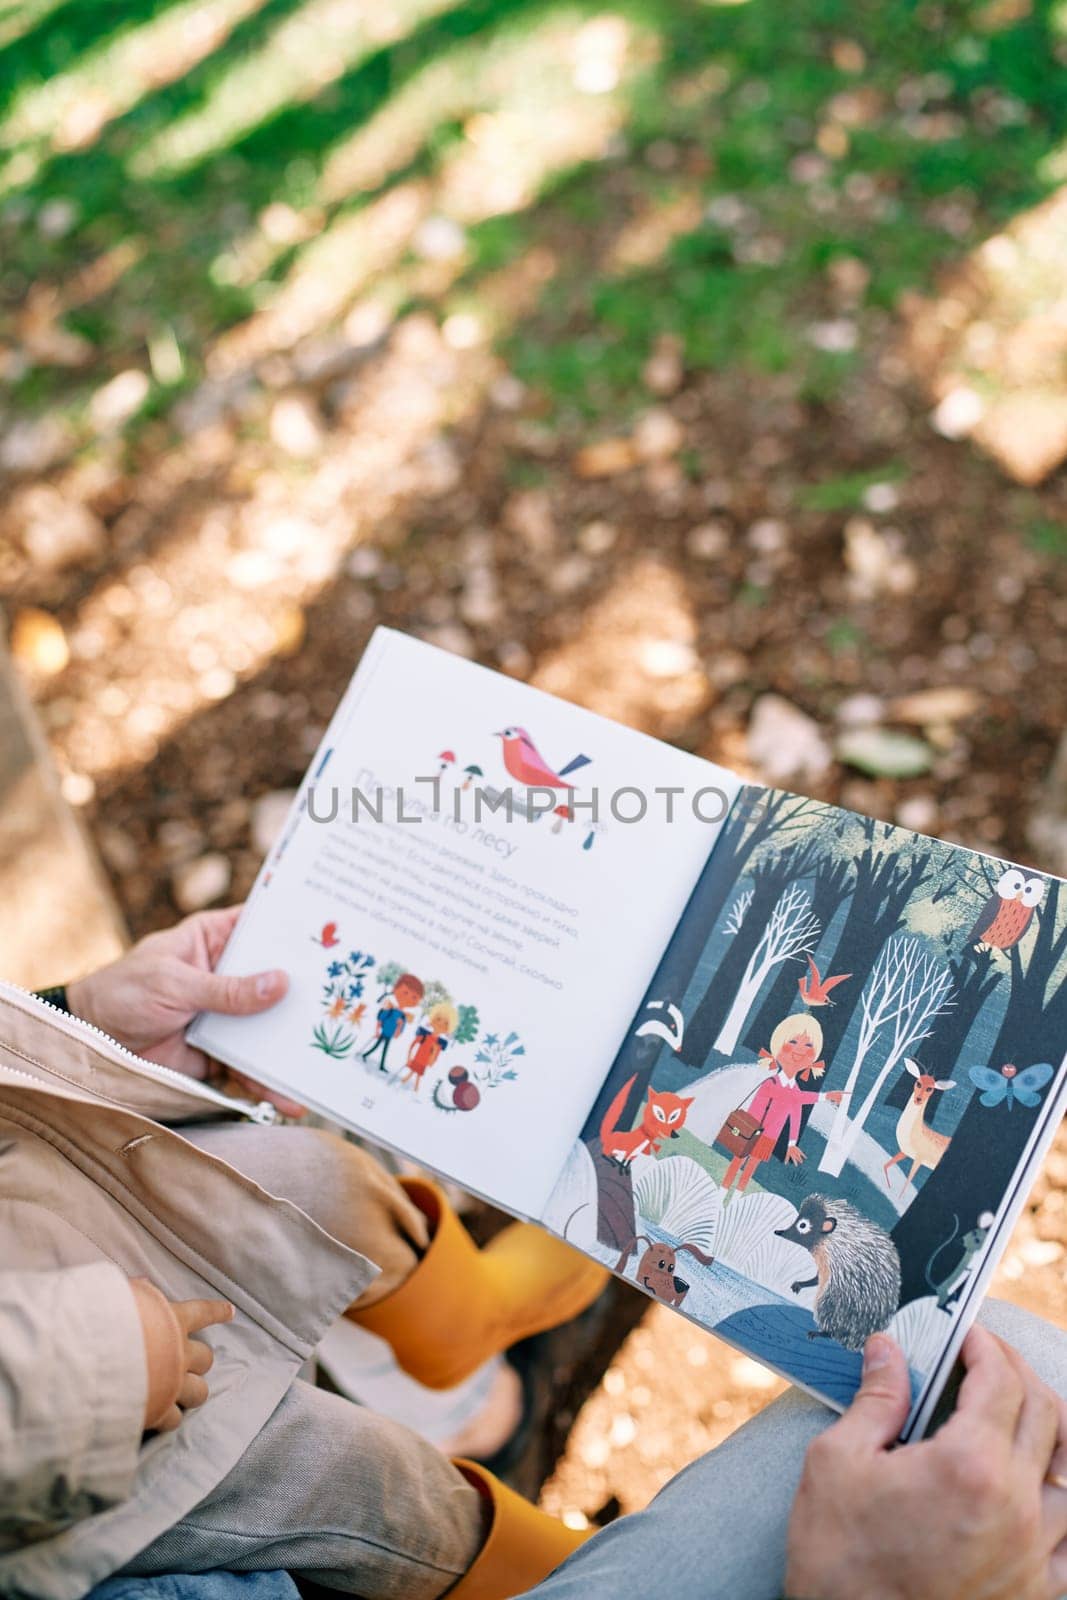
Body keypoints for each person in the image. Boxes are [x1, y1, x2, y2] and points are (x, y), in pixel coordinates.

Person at [0, 909, 607, 1600]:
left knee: (320, 1183)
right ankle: (577, 1581)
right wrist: (96, 1362)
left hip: (28, 1216)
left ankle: (465, 1325)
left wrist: (74, 1015)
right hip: (55, 1415)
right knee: (361, 1481)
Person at [723, 1013, 843, 1199]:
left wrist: (792, 1143)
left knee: (751, 1167)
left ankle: (737, 1198)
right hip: (752, 1130)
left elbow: (795, 1115)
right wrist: (825, 1096)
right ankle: (721, 1193)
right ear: (778, 1047)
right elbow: (795, 1099)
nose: (800, 1050)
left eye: (808, 1045)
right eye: (793, 1042)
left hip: (770, 1136)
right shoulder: (771, 1083)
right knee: (738, 1162)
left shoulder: (794, 1088)